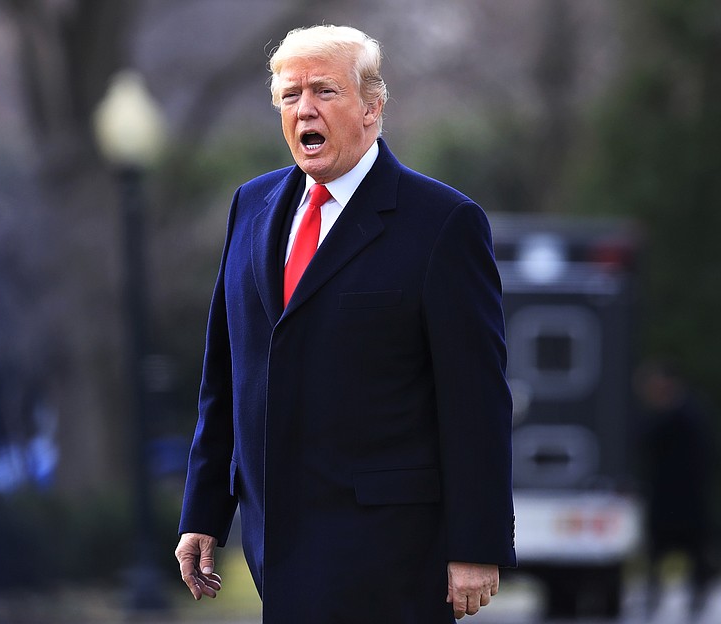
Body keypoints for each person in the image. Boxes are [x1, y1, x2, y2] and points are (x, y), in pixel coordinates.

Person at [175, 24, 516, 623]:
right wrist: (203, 512)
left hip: (389, 549)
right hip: (275, 545)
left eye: (325, 91)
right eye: (289, 94)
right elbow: (225, 374)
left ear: (372, 107)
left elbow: (475, 399)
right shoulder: (250, 206)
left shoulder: (443, 222)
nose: (304, 108)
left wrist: (476, 546)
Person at [635, 360, 717, 617]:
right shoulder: (660, 415)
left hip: (689, 500)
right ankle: (652, 599)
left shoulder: (689, 414)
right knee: (656, 553)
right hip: (662, 500)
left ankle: (697, 597)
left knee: (696, 554)